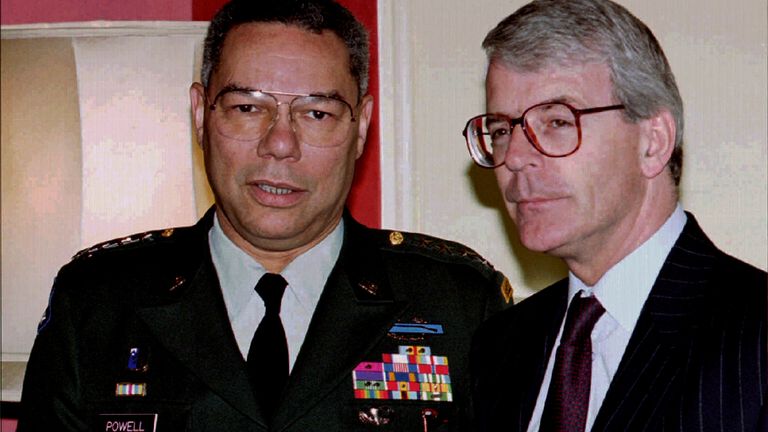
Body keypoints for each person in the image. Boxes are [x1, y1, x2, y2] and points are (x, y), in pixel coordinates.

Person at [18, 1, 509, 430]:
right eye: (247, 108)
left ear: (361, 129)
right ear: (199, 114)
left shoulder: (457, 306)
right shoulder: (97, 304)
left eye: (317, 113)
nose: (279, 144)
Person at [464, 1, 767, 431]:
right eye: (500, 130)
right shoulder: (500, 346)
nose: (513, 157)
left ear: (653, 142)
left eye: (556, 122)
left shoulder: (754, 337)